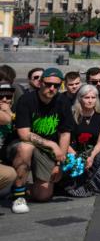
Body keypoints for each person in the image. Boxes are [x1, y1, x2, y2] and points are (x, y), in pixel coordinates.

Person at [8, 67, 75, 213]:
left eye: (56, 86)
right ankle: (18, 196)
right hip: (20, 144)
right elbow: (24, 134)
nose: (52, 88)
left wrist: (59, 163)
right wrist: (51, 144)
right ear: (40, 83)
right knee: (26, 148)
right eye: (48, 84)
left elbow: (64, 134)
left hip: (46, 150)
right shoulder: (27, 100)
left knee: (43, 195)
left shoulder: (62, 102)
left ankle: (18, 187)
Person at [65, 83, 100, 197]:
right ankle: (80, 186)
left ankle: (97, 185)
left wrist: (91, 156)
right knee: (75, 165)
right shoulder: (71, 115)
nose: (90, 101)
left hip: (93, 151)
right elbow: (65, 141)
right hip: (73, 151)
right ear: (80, 99)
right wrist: (78, 157)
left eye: (93, 97)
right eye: (86, 97)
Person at [0, 83, 17, 200]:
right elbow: (5, 120)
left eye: (8, 97)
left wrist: (10, 113)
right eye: (0, 97)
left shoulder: (16, 110)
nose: (4, 100)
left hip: (8, 156)